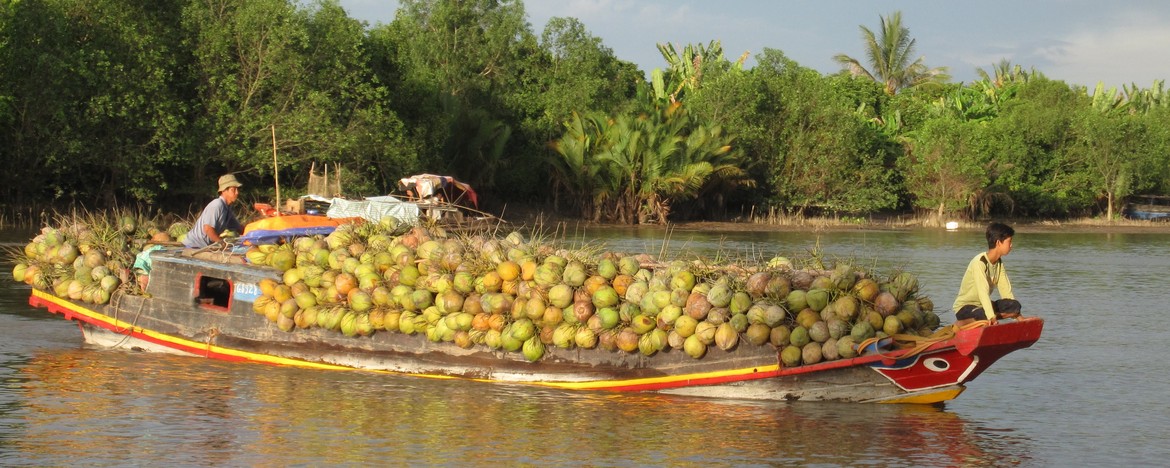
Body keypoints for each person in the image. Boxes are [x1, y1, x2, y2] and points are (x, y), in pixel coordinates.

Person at [953, 222, 1022, 325]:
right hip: (965, 308)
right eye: (1009, 241)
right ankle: (961, 323)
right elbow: (983, 292)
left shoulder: (999, 263)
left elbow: (1005, 290)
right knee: (983, 314)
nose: (1011, 245)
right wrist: (992, 317)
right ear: (999, 243)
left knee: (1015, 305)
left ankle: (987, 320)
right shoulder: (979, 262)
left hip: (982, 306)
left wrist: (1017, 316)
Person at [184, 174, 245, 249]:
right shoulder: (217, 205)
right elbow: (208, 229)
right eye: (233, 190)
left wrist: (253, 234)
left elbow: (239, 228)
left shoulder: (227, 209)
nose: (237, 193)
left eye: (237, 189)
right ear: (224, 191)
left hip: (204, 246)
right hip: (194, 245)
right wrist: (221, 242)